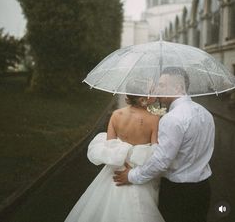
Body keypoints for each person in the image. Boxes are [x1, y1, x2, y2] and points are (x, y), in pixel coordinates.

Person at [114, 67, 215, 222]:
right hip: (202, 190)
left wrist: (132, 175)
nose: (156, 89)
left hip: (178, 194)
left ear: (178, 88)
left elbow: (161, 161)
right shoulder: (206, 114)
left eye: (161, 85)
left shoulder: (172, 119)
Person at [64, 84, 165, 222]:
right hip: (136, 169)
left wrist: (122, 159)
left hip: (115, 169)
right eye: (151, 92)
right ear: (143, 99)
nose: (156, 94)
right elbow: (155, 151)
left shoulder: (116, 115)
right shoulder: (154, 119)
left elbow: (110, 146)